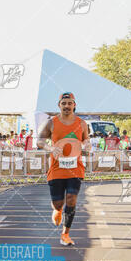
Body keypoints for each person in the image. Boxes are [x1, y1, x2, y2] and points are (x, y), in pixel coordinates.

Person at [37, 92, 91, 246]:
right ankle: (57, 210)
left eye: (70, 103)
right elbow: (40, 140)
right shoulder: (51, 123)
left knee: (72, 199)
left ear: (74, 105)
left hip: (75, 167)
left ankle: (65, 234)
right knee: (58, 203)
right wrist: (50, 148)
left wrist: (87, 144)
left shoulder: (82, 123)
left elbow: (86, 139)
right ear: (59, 105)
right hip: (56, 168)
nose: (67, 106)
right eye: (64, 103)